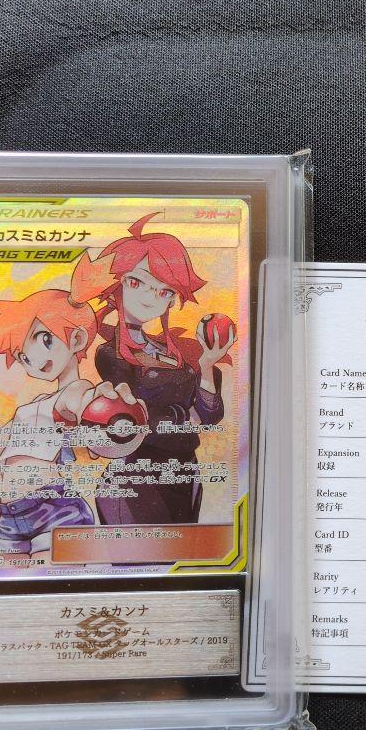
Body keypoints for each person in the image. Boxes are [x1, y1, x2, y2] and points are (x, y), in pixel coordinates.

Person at [0, 253, 139, 556]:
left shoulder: (73, 392)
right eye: (23, 356)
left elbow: (85, 404)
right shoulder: (33, 406)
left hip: (55, 509)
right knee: (4, 581)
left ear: (76, 340)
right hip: (9, 517)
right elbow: (10, 458)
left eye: (44, 340)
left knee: (57, 579)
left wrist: (111, 411)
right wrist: (1, 497)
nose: (32, 358)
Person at [90, 213, 235, 525]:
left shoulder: (177, 354)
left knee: (182, 553)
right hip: (135, 477)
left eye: (164, 290)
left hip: (185, 472)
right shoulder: (110, 354)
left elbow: (210, 415)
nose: (149, 296)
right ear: (116, 285)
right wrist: (186, 415)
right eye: (136, 282)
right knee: (138, 555)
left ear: (172, 299)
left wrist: (207, 364)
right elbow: (133, 419)